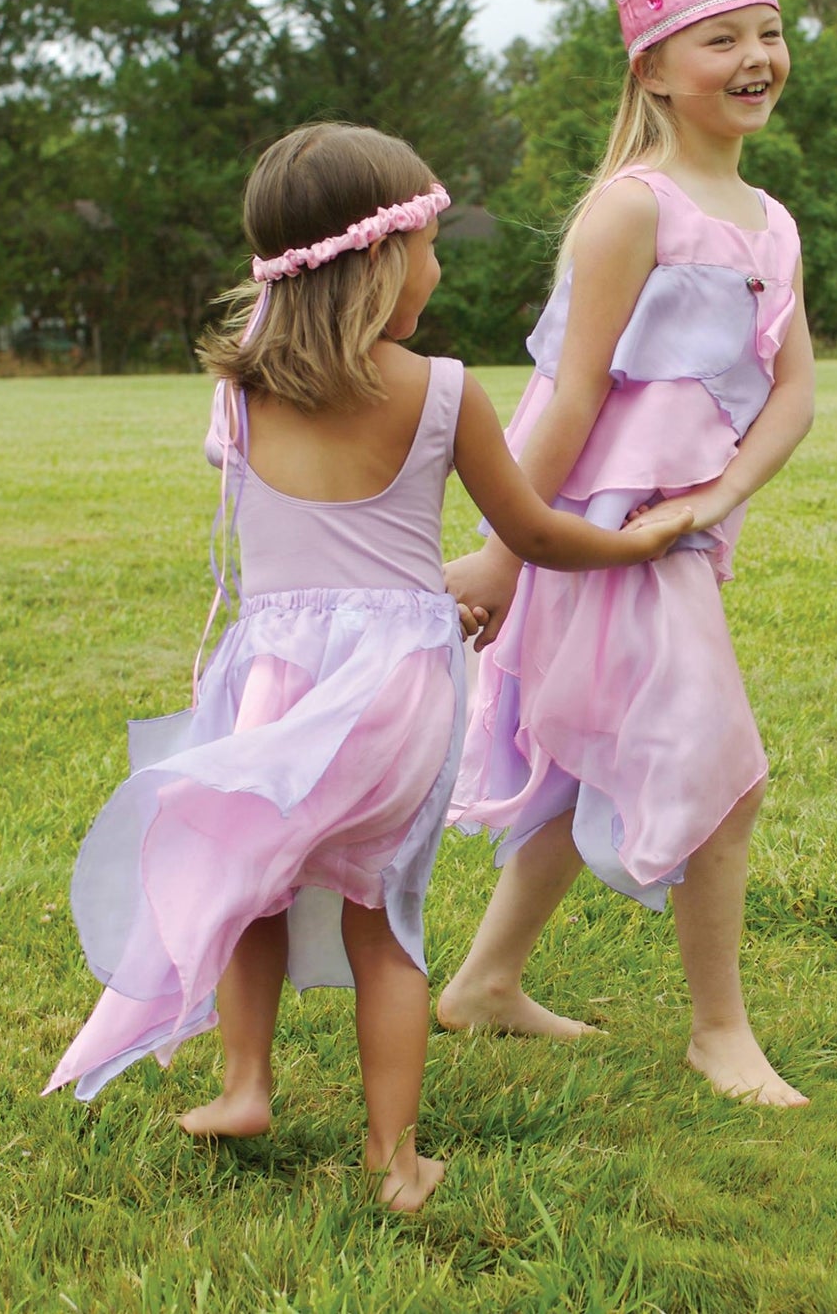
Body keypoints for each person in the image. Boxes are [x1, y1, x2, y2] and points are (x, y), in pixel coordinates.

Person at [44, 122, 693, 1211]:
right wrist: (634, 540)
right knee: (382, 922)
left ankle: (245, 1082)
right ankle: (393, 1157)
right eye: (430, 242)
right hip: (397, 694)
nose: (437, 267)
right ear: (382, 259)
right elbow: (528, 535)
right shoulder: (441, 391)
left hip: (273, 688)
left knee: (255, 883)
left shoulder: (237, 398)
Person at [440, 0, 816, 1108]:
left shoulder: (768, 220)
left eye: (765, 33)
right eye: (721, 40)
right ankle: (718, 1032)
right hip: (602, 535)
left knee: (575, 759)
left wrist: (718, 496)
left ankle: (484, 982)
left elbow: (795, 393)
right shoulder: (629, 209)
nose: (754, 56)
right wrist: (507, 553)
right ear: (653, 68)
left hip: (675, 536)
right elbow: (568, 400)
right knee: (722, 768)